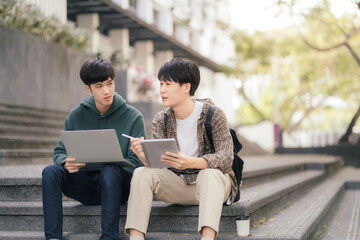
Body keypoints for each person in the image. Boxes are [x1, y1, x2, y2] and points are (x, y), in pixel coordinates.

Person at [125, 58, 238, 240]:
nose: (162, 89)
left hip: (211, 186)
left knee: (209, 174)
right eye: (161, 83)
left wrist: (191, 162)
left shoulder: (213, 114)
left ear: (186, 87)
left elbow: (226, 157)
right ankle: (136, 237)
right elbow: (158, 164)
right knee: (141, 172)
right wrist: (143, 155)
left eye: (168, 84)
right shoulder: (162, 119)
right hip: (178, 184)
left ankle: (207, 237)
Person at [42, 57, 146, 240]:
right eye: (99, 86)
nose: (107, 91)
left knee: (110, 170)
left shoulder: (133, 117)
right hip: (85, 185)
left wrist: (120, 162)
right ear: (88, 88)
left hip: (118, 187)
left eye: (110, 83)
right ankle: (53, 237)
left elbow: (137, 164)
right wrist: (65, 162)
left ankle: (108, 237)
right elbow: (59, 152)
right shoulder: (76, 115)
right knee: (50, 172)